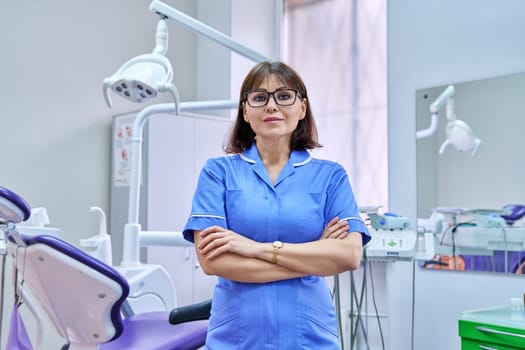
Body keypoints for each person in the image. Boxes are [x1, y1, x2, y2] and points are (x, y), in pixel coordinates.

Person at [183, 61, 371, 349]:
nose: (272, 106)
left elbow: (348, 255)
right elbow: (213, 261)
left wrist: (255, 248)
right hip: (237, 338)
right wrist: (315, 259)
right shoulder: (218, 172)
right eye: (259, 98)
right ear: (245, 111)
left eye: (284, 96)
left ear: (302, 108)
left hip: (308, 337)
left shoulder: (330, 176)